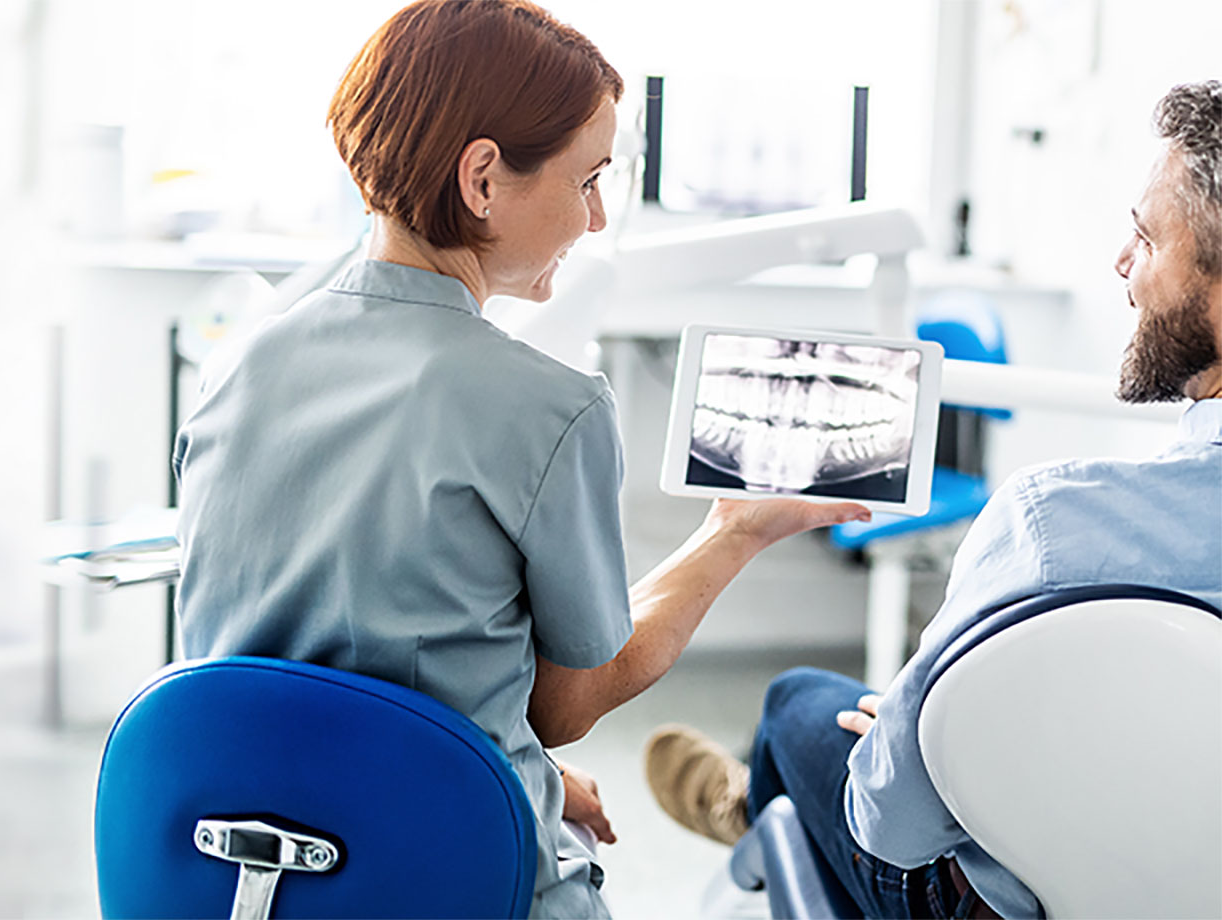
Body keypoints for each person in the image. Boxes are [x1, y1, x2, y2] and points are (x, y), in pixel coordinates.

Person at [170, 1, 869, 916]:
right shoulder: (551, 406)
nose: (598, 215)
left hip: (249, 872)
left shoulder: (237, 366)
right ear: (484, 177)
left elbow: (324, 668)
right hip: (436, 872)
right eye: (587, 179)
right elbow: (566, 706)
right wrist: (730, 535)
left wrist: (522, 773)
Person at [644, 80, 1222, 920]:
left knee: (798, 705)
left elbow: (893, 826)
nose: (1120, 263)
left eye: (1143, 234)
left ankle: (749, 807)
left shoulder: (1053, 527)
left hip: (1004, 902)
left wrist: (914, 737)